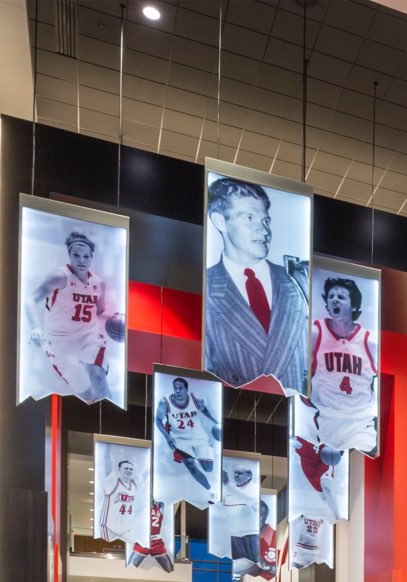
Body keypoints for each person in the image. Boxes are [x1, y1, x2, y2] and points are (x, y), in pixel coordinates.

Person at [203, 176, 309, 391]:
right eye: (249, 218)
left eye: (265, 221)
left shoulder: (299, 282)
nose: (264, 230)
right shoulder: (205, 289)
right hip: (239, 416)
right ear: (219, 221)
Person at [26, 227, 120, 402]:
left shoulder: (99, 283)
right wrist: (35, 327)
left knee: (98, 376)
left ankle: (114, 417)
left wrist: (118, 322)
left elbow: (101, 312)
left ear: (91, 257)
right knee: (88, 398)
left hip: (88, 335)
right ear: (70, 255)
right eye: (77, 255)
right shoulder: (59, 276)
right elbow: (29, 299)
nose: (81, 260)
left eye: (86, 256)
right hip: (59, 341)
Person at [306, 275, 380, 458]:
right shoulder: (316, 333)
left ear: (353, 305)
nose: (334, 300)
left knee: (364, 476)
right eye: (331, 296)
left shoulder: (369, 341)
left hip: (360, 423)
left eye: (341, 297)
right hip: (326, 422)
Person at [156, 376, 221, 500]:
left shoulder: (197, 400)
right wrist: (167, 436)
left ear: (186, 389)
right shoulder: (165, 402)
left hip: (199, 436)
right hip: (179, 438)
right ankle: (211, 490)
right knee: (190, 465)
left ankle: (198, 456)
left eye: (180, 388)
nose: (177, 391)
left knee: (208, 469)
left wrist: (217, 422)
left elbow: (205, 410)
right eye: (175, 388)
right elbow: (158, 420)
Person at [97, 456, 142, 543]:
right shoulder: (112, 483)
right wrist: (107, 451)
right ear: (119, 470)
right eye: (126, 468)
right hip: (109, 527)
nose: (129, 470)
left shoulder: (134, 485)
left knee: (138, 546)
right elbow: (107, 465)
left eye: (131, 469)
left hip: (125, 529)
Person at [128, 499, 175, 572]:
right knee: (129, 570)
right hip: (143, 541)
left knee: (171, 571)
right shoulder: (139, 506)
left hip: (156, 541)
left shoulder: (159, 505)